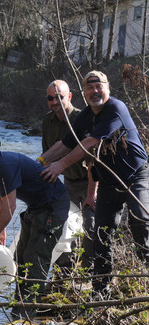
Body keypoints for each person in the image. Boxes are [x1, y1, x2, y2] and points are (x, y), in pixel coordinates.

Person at [40, 71, 149, 297]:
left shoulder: (115, 109)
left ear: (108, 88)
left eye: (99, 86)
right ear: (84, 93)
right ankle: (101, 291)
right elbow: (66, 143)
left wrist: (59, 166)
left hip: (136, 175)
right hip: (108, 181)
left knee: (140, 220)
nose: (94, 91)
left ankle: (146, 274)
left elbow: (89, 142)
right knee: (101, 235)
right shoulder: (86, 116)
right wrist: (40, 162)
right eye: (90, 88)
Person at [0, 128, 70, 319]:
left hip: (54, 204)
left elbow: (10, 206)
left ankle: (24, 314)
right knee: (20, 258)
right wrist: (1, 232)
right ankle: (21, 305)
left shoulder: (4, 164)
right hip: (36, 207)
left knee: (36, 259)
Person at [39, 80, 96, 272]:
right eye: (50, 98)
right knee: (67, 230)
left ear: (69, 96)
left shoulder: (83, 118)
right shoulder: (47, 121)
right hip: (67, 184)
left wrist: (91, 192)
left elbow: (92, 160)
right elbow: (47, 156)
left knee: (91, 227)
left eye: (59, 97)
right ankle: (65, 275)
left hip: (90, 181)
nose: (55, 102)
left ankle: (90, 275)